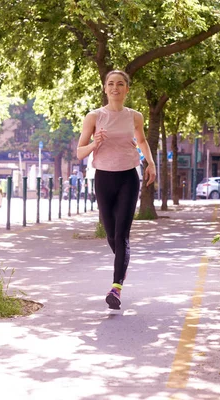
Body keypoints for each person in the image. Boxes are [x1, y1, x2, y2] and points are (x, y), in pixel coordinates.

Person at [76, 70, 156, 310]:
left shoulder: (135, 117)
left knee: (121, 235)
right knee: (111, 235)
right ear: (105, 88)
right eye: (111, 84)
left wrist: (150, 162)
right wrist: (95, 143)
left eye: (120, 84)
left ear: (127, 89)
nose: (115, 88)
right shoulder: (94, 117)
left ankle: (116, 288)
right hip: (103, 179)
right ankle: (123, 263)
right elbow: (80, 152)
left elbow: (141, 141)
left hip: (128, 178)